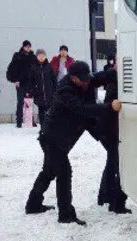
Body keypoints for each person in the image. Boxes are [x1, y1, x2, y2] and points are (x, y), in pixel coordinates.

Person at [25, 61, 121, 225]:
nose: (86, 83)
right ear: (72, 78)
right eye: (82, 80)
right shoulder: (65, 92)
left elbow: (101, 77)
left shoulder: (86, 81)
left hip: (62, 139)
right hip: (52, 139)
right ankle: (66, 215)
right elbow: (84, 109)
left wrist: (115, 70)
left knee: (48, 171)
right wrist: (109, 107)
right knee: (64, 172)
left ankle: (33, 204)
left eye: (87, 79)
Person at [96, 54, 129, 213]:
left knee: (112, 161)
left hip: (108, 127)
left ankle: (105, 196)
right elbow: (111, 103)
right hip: (110, 128)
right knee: (118, 163)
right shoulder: (116, 78)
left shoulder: (116, 76)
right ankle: (116, 204)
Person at [6, 40, 37, 128]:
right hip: (20, 83)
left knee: (29, 102)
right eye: (26, 46)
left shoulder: (33, 57)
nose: (28, 48)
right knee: (20, 102)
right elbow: (12, 68)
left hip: (30, 83)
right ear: (23, 47)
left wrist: (35, 81)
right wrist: (15, 80)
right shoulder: (17, 56)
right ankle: (19, 121)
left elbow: (35, 70)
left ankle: (30, 120)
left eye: (29, 46)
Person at [29, 48, 57, 126]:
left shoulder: (49, 66)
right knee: (41, 111)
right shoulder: (34, 67)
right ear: (37, 57)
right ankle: (42, 127)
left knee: (50, 111)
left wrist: (55, 90)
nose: (41, 57)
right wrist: (33, 91)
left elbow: (54, 80)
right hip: (39, 94)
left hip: (49, 93)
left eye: (43, 55)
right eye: (39, 55)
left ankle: (49, 127)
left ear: (45, 56)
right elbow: (31, 81)